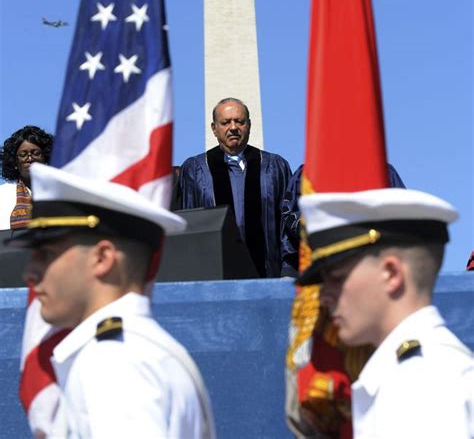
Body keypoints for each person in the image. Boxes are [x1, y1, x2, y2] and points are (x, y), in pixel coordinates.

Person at [8, 162, 216, 439]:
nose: (29, 273)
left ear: (103, 258)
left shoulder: (111, 365)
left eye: (46, 254)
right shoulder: (138, 351)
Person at [294, 187, 473, 438]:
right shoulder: (408, 376)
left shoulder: (422, 387)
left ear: (391, 274)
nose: (324, 296)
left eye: (337, 278)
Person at [180, 97, 293, 277]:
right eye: (225, 122)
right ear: (214, 128)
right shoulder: (196, 170)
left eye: (239, 121)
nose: (233, 127)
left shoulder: (274, 167)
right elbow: (190, 228)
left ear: (249, 125)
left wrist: (288, 272)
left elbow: (288, 226)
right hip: (213, 277)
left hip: (268, 275)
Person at [281, 164, 406, 274]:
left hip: (373, 266)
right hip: (319, 268)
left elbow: (403, 219)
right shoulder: (306, 174)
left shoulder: (383, 172)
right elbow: (289, 216)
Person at [0, 125, 53, 230]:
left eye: (36, 153)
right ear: (15, 162)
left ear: (45, 158)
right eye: (23, 154)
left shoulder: (59, 192)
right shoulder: (2, 194)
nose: (30, 159)